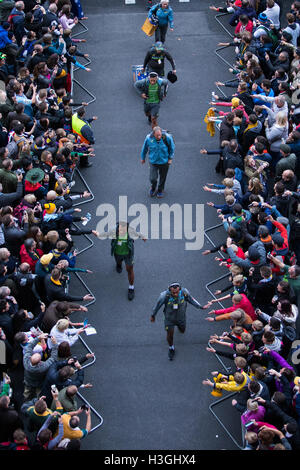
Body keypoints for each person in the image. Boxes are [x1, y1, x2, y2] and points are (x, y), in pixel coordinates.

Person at [150, 282, 204, 360]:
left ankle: (179, 327)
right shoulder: (164, 296)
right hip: (169, 319)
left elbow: (192, 300)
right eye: (173, 293)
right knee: (170, 334)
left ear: (180, 290)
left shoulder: (184, 293)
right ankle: (171, 347)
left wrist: (201, 307)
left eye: (177, 292)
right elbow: (157, 306)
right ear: (170, 291)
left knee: (182, 330)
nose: (175, 294)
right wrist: (153, 315)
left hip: (181, 318)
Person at [98, 221, 146, 301]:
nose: (121, 231)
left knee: (129, 269)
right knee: (118, 262)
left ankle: (131, 287)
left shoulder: (130, 231)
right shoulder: (113, 230)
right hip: (117, 253)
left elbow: (137, 233)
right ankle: (119, 265)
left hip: (128, 254)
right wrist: (98, 234)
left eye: (123, 230)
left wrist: (142, 237)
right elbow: (105, 234)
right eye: (120, 230)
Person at [141, 125, 175, 198]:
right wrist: (143, 158)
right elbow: (144, 148)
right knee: (153, 178)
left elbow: (172, 148)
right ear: (153, 134)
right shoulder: (148, 138)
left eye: (160, 135)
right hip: (153, 161)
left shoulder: (167, 137)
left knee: (163, 177)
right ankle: (153, 188)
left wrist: (170, 158)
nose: (159, 137)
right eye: (157, 135)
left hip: (164, 161)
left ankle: (160, 190)